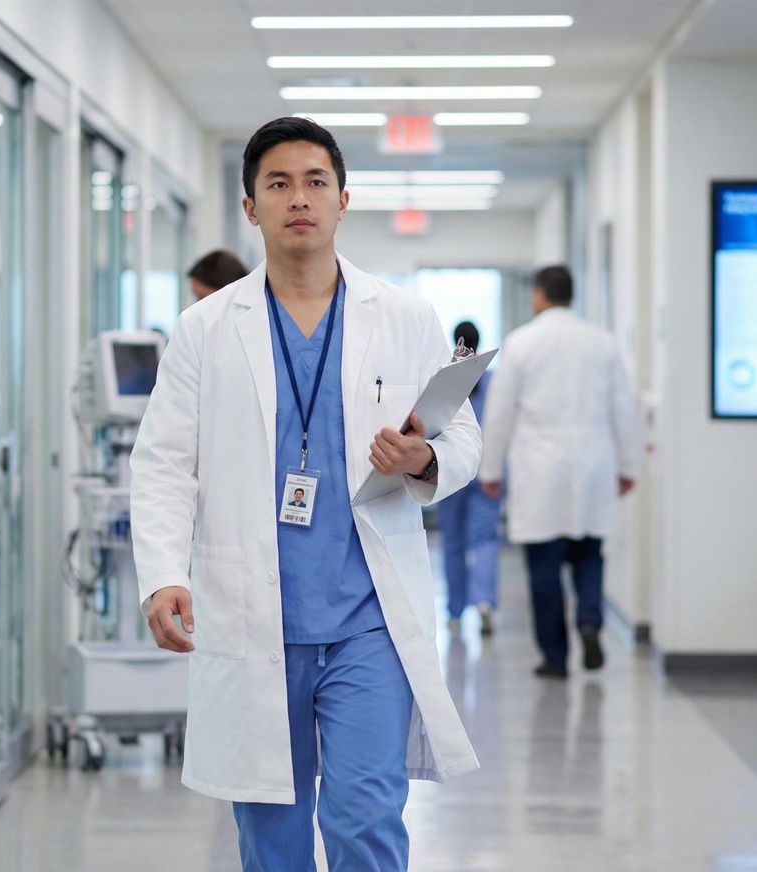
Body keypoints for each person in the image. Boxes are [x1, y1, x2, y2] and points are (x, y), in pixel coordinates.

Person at [131, 116, 481, 871]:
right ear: (251, 207)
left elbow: (463, 440)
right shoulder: (205, 328)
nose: (300, 199)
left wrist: (422, 456)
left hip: (368, 619)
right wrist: (163, 574)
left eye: (316, 182)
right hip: (255, 615)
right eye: (279, 184)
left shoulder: (405, 317)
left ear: (343, 199)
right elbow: (162, 462)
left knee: (364, 819)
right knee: (273, 836)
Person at [479, 266, 641, 678]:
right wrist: (628, 465)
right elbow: (624, 407)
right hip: (593, 461)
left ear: (539, 295)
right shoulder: (602, 343)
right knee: (589, 555)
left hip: (539, 465)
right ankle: (589, 621)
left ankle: (555, 657)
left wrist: (490, 469)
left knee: (543, 565)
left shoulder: (521, 343)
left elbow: (499, 412)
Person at [436, 320, 502, 636]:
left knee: (453, 543)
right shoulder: (493, 382)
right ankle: (485, 602)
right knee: (486, 538)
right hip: (486, 474)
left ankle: (454, 610)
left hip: (453, 472)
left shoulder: (448, 379)